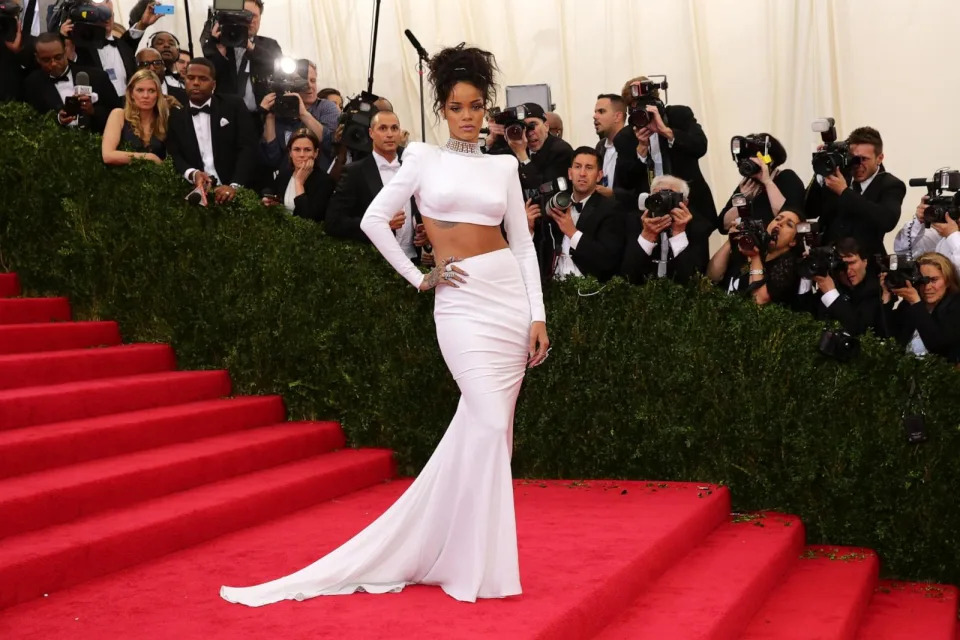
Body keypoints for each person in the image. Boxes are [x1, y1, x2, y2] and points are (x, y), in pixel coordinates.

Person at [221, 42, 549, 607]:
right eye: (456, 107)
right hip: (463, 305)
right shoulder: (422, 156)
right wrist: (418, 277)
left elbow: (523, 246)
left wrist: (538, 315)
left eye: (475, 107)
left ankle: (470, 559)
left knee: (489, 432)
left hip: (508, 303)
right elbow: (373, 219)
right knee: (490, 424)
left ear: (485, 110)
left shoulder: (503, 166)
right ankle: (462, 557)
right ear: (442, 110)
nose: (467, 116)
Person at [611, 75, 717, 266]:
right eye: (636, 106)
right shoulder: (625, 138)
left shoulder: (679, 116)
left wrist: (666, 131)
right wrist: (640, 150)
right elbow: (623, 182)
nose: (642, 111)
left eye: (647, 104)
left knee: (693, 266)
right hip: (650, 212)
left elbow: (700, 146)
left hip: (690, 210)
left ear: (657, 100)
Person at [325, 110, 421, 263]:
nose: (389, 134)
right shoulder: (355, 172)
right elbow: (334, 222)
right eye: (383, 128)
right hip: (374, 264)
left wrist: (423, 231)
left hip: (414, 260)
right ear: (371, 133)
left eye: (394, 128)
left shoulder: (413, 168)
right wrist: (380, 224)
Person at [166, 58, 258, 203]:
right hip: (198, 195)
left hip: (238, 191)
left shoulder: (233, 106)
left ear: (213, 84)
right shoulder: (176, 117)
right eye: (190, 78)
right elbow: (175, 154)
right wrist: (193, 174)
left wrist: (234, 186)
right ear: (185, 82)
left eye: (203, 78)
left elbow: (248, 148)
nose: (196, 83)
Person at [804, 126, 906, 257]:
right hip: (830, 260)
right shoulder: (840, 176)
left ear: (879, 158)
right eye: (853, 158)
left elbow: (887, 221)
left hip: (866, 263)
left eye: (864, 159)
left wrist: (844, 192)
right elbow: (809, 211)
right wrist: (822, 172)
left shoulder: (890, 184)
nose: (857, 164)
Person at [529, 146, 624, 281]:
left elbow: (607, 260)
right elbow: (540, 252)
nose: (582, 173)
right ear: (570, 173)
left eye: (589, 168)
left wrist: (573, 233)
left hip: (588, 292)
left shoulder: (611, 209)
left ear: (599, 176)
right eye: (578, 167)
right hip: (553, 289)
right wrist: (529, 229)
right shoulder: (554, 205)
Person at [59, 0, 160, 98]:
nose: (105, 18)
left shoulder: (123, 45)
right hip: (98, 109)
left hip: (129, 106)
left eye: (108, 14)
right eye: (101, 13)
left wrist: (143, 24)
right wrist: (65, 37)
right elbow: (68, 66)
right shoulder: (82, 47)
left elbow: (132, 38)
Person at [22, 32, 119, 133]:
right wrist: (58, 119)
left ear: (65, 52)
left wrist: (93, 111)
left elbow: (117, 113)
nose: (54, 63)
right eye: (46, 60)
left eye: (58, 57)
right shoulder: (33, 84)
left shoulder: (97, 77)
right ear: (37, 58)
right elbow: (32, 122)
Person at [707, 208, 805, 307]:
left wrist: (754, 257)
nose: (780, 223)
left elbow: (759, 300)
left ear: (793, 241)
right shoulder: (746, 247)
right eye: (778, 219)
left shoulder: (790, 267)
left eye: (789, 224)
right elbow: (712, 276)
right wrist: (730, 242)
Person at [202, 0, 281, 114]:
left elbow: (275, 66)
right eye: (245, 15)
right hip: (225, 115)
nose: (250, 20)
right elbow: (209, 76)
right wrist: (217, 47)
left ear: (260, 19)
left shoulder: (269, 45)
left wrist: (251, 47)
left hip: (261, 115)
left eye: (254, 16)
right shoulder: (220, 43)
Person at [260, 60, 340, 172]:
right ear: (289, 84)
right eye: (301, 82)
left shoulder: (327, 107)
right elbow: (272, 159)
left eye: (313, 81)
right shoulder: (281, 112)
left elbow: (330, 145)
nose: (309, 86)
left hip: (318, 178)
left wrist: (303, 114)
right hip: (287, 180)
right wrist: (269, 115)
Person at [621, 175, 701, 285]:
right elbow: (626, 277)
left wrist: (679, 234)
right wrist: (647, 237)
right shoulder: (633, 222)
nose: (662, 202)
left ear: (685, 203)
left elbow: (692, 280)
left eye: (670, 196)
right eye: (657, 197)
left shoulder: (698, 226)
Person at [719, 133, 805, 233]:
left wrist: (767, 182)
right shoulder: (748, 183)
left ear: (770, 161)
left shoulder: (787, 177)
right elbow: (723, 226)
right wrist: (743, 200)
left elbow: (789, 218)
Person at [884, 252, 960, 362]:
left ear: (948, 281)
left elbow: (938, 346)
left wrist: (916, 303)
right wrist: (886, 297)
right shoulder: (909, 304)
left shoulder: (956, 304)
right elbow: (886, 335)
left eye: (933, 280)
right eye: (922, 281)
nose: (927, 287)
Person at [811, 237, 887, 337]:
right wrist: (808, 272)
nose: (848, 270)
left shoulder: (875, 290)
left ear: (865, 261)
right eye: (843, 265)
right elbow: (806, 315)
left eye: (852, 263)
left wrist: (831, 294)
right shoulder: (833, 283)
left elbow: (859, 330)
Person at [262, 128, 335, 222]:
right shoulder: (285, 174)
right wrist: (268, 198)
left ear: (315, 153)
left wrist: (299, 182)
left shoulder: (325, 181)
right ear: (290, 153)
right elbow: (269, 190)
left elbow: (308, 219)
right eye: (296, 149)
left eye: (307, 150)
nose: (302, 155)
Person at [101, 68, 168, 165]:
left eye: (151, 91)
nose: (145, 96)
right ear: (131, 93)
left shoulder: (165, 119)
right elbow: (108, 155)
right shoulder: (119, 115)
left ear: (158, 94)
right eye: (140, 90)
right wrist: (149, 157)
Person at [893, 196, 960, 270]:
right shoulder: (942, 233)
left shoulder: (952, 235)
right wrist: (919, 221)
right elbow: (902, 251)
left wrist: (952, 235)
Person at [592, 93, 628, 201]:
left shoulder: (635, 145)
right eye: (595, 112)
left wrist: (614, 194)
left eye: (601, 111)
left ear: (617, 116)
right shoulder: (600, 147)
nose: (595, 116)